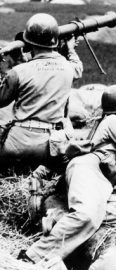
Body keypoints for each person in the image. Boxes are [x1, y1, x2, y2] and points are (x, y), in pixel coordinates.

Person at [23, 84, 116, 266]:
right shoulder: (113, 120)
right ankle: (32, 257)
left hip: (100, 183)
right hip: (86, 170)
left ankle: (60, 218)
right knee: (87, 216)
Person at [0, 13, 83, 170]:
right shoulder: (68, 68)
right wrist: (70, 48)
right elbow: (76, 65)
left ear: (28, 43)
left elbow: (1, 100)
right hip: (51, 147)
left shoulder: (18, 72)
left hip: (18, 145)